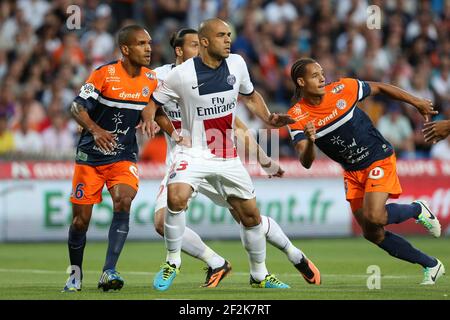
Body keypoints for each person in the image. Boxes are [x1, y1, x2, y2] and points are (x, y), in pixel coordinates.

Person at [151, 28, 321, 288]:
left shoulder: (221, 74)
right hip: (185, 158)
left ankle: (294, 255)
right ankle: (213, 262)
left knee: (249, 217)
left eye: (201, 45)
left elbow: (237, 125)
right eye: (194, 45)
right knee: (163, 221)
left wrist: (264, 159)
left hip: (221, 156)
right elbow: (141, 102)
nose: (200, 50)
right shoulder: (162, 77)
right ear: (179, 50)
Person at [287, 57, 445, 285]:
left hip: (377, 157)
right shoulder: (297, 116)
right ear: (301, 82)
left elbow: (379, 87)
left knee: (375, 216)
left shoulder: (343, 88)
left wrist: (416, 101)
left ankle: (416, 209)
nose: (322, 78)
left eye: (322, 73)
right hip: (352, 171)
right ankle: (431, 265)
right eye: (315, 75)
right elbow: (306, 162)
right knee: (372, 232)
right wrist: (311, 141)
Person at [62, 25, 158, 292]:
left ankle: (109, 271)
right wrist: (95, 129)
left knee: (124, 201)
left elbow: (152, 99)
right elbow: (76, 106)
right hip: (90, 158)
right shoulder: (104, 74)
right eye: (141, 44)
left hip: (122, 156)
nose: (148, 48)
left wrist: (149, 116)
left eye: (148, 43)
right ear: (125, 49)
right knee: (80, 221)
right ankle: (75, 274)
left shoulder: (150, 78)